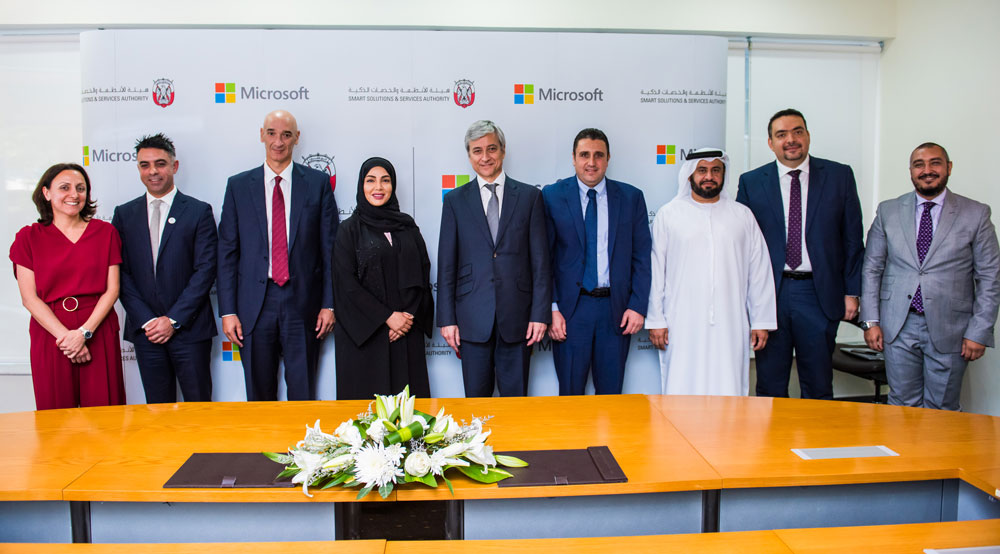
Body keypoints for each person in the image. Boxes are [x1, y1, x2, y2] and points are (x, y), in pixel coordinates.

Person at [861, 143, 1000, 410]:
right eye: (918, 165)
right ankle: (905, 453)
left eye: (935, 163)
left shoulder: (976, 213)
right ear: (911, 172)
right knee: (901, 405)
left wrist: (979, 331)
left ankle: (937, 453)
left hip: (952, 327)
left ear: (948, 168)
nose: (927, 170)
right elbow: (872, 268)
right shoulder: (888, 210)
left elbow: (989, 277)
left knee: (942, 408)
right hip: (897, 325)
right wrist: (871, 321)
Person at [736, 108, 864, 399]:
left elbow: (853, 238)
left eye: (797, 131)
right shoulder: (751, 182)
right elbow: (743, 245)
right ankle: (770, 444)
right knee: (769, 383)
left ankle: (818, 444)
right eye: (781, 134)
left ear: (807, 136)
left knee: (818, 383)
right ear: (770, 143)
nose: (790, 139)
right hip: (771, 294)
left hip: (819, 294)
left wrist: (852, 292)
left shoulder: (839, 176)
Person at [217, 110, 339, 401]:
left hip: (304, 303)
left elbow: (330, 249)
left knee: (303, 391)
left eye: (286, 134)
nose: (278, 141)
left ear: (297, 138)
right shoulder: (238, 186)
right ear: (262, 135)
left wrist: (329, 304)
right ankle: (261, 447)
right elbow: (227, 253)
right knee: (258, 395)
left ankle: (303, 447)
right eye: (272, 133)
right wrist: (228, 311)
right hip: (253, 306)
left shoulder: (317, 184)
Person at [647, 149, 777, 395]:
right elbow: (656, 271)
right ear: (690, 175)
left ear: (723, 175)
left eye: (716, 170)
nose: (709, 176)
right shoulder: (669, 214)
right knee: (682, 385)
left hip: (731, 321)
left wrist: (761, 320)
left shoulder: (742, 215)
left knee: (729, 385)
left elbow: (758, 271)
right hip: (680, 321)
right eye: (702, 170)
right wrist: (656, 319)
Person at [437, 120, 550, 397]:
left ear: (503, 151)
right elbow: (446, 265)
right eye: (477, 151)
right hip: (471, 320)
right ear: (469, 155)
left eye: (491, 149)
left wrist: (539, 314)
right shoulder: (454, 200)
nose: (485, 157)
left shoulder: (530, 197)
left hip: (518, 319)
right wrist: (447, 319)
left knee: (516, 405)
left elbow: (541, 262)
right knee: (476, 406)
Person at [543, 128, 651, 395]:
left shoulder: (631, 198)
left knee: (612, 395)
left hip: (615, 312)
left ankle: (608, 440)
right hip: (570, 311)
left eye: (598, 155)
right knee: (570, 395)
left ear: (608, 158)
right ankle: (573, 440)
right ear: (573, 158)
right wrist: (552, 308)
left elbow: (642, 257)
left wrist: (637, 306)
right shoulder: (552, 196)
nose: (591, 162)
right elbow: (543, 258)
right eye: (584, 155)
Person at [112, 134, 218, 403]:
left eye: (160, 164)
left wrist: (172, 320)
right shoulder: (124, 214)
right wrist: (149, 321)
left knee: (199, 410)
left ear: (174, 166)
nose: (153, 171)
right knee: (157, 412)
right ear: (138, 168)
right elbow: (120, 273)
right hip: (146, 332)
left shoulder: (198, 211)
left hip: (190, 330)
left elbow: (205, 271)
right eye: (145, 165)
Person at [9, 163, 125, 410]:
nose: (74, 194)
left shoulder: (105, 232)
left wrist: (83, 334)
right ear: (46, 193)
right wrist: (67, 338)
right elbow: (29, 298)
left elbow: (112, 290)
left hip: (98, 328)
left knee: (106, 416)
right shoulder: (27, 237)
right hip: (51, 333)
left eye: (81, 188)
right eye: (65, 187)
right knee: (55, 417)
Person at [333, 157, 433, 400]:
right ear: (361, 185)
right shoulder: (349, 230)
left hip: (406, 334)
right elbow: (346, 285)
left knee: (409, 418)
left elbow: (422, 272)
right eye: (371, 180)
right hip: (367, 338)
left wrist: (407, 317)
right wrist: (387, 318)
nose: (378, 187)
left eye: (385, 180)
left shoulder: (407, 227)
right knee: (367, 424)